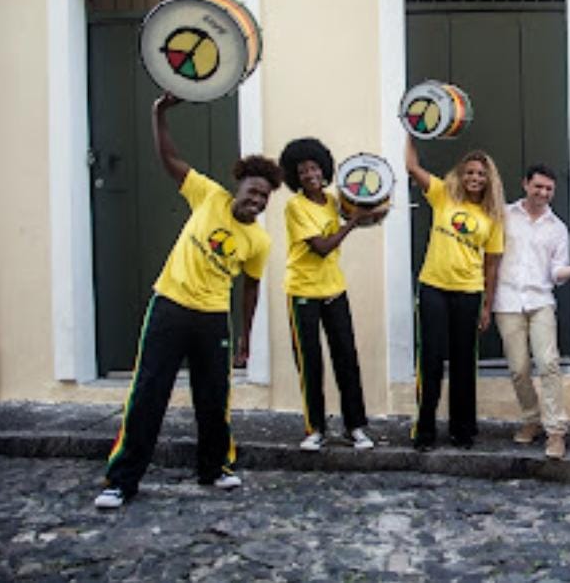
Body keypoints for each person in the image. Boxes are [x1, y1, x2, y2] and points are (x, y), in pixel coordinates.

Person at [95, 92, 283, 509]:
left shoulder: (259, 240)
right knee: (148, 392)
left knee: (214, 397)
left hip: (213, 319)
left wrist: (245, 340)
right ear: (239, 185)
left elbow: (250, 291)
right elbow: (169, 157)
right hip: (170, 307)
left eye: (263, 198)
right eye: (252, 191)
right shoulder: (207, 195)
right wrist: (157, 112)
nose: (255, 201)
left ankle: (214, 468)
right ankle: (121, 480)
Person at [279, 138, 389, 453]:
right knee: (310, 363)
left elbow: (369, 209)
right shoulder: (294, 207)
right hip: (302, 292)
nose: (310, 175)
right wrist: (353, 222)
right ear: (294, 177)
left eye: (314, 168)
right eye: (302, 171)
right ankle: (315, 429)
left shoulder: (331, 201)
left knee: (347, 359)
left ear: (324, 168)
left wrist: (372, 201)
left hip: (334, 291)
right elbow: (322, 247)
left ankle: (355, 427)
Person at [492, 163, 570, 460]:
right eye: (538, 186)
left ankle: (556, 431)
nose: (543, 193)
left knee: (549, 363)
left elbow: (556, 272)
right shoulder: (504, 216)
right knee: (518, 368)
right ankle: (531, 419)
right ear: (525, 185)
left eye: (549, 189)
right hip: (506, 301)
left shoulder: (557, 228)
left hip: (541, 300)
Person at [404, 135, 505, 451]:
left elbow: (491, 267)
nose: (474, 178)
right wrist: (411, 127)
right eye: (470, 172)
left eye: (480, 174)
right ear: (461, 175)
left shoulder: (493, 218)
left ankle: (462, 429)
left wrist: (487, 306)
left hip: (469, 293)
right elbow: (410, 165)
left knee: (464, 363)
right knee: (431, 360)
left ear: (489, 180)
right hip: (433, 288)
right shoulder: (443, 196)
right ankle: (425, 429)